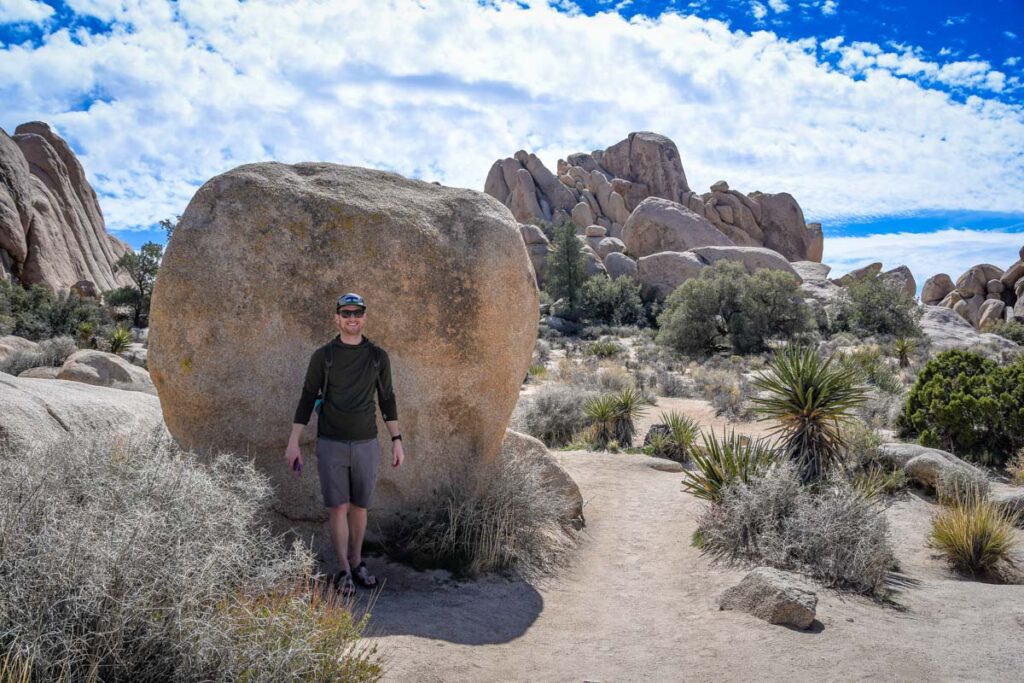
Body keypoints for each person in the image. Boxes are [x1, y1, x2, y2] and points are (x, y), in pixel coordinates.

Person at [285, 292, 404, 595]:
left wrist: (397, 440)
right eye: (346, 313)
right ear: (336, 318)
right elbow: (307, 397)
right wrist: (294, 442)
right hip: (331, 443)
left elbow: (387, 400)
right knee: (338, 507)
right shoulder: (323, 356)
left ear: (365, 317)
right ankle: (342, 569)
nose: (352, 319)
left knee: (360, 507)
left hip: (366, 442)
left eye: (358, 313)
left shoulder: (378, 357)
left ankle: (357, 561)